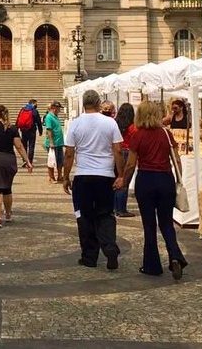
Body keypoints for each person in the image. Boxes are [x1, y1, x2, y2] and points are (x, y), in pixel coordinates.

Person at [122, 101, 189, 280]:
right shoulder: (166, 134)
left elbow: (131, 163)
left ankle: (152, 265)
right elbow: (177, 159)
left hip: (146, 179)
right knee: (166, 223)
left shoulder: (138, 135)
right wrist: (177, 180)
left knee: (149, 225)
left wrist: (123, 181)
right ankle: (175, 255)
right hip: (165, 178)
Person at [61, 90, 125, 271]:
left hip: (84, 174)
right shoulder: (110, 122)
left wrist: (66, 177)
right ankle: (109, 246)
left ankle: (89, 256)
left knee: (85, 216)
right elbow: (118, 151)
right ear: (98, 104)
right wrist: (120, 175)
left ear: (83, 104)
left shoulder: (75, 124)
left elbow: (69, 153)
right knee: (105, 214)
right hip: (105, 176)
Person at [0, 104, 33, 228]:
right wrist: (27, 161)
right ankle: (8, 213)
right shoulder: (12, 128)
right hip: (8, 159)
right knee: (7, 188)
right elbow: (19, 146)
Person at [113, 103, 137, 218]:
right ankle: (121, 209)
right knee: (125, 180)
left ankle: (113, 207)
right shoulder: (133, 127)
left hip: (116, 152)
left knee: (115, 179)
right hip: (128, 153)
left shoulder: (114, 124)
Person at [43, 101, 65, 183]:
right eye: (59, 108)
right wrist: (51, 142)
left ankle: (60, 175)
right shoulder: (49, 117)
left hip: (59, 142)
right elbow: (49, 130)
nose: (60, 110)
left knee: (60, 160)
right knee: (52, 161)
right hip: (53, 143)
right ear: (54, 108)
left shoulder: (56, 116)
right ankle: (51, 177)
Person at [16, 99, 42, 164]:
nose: (37, 105)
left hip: (23, 130)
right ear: (33, 103)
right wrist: (40, 131)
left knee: (24, 145)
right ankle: (29, 161)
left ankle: (24, 160)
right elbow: (38, 122)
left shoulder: (22, 109)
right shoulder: (34, 111)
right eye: (36, 104)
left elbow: (18, 119)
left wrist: (16, 129)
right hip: (32, 130)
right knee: (31, 146)